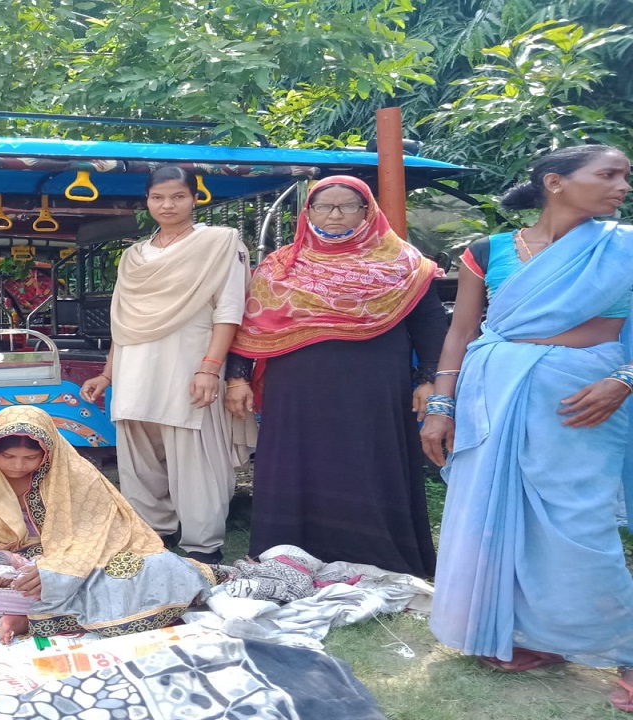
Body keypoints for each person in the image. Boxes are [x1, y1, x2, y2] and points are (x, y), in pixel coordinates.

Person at [421, 145, 633, 713]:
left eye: (625, 176)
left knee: (579, 523)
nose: (622, 186)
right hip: (493, 393)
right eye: (608, 174)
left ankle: (626, 653)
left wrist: (625, 379)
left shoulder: (625, 246)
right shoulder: (486, 251)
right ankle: (530, 635)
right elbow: (461, 333)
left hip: (583, 397)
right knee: (496, 517)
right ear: (555, 182)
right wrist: (440, 405)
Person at [224, 175, 445, 578]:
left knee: (368, 461)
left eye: (348, 206)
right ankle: (288, 554)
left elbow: (429, 323)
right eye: (324, 206)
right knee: (297, 464)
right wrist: (237, 377)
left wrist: (429, 378)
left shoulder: (404, 264)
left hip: (374, 386)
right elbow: (251, 323)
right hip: (297, 390)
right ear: (308, 212)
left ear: (368, 211)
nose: (336, 215)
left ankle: (375, 556)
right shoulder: (281, 265)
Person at [0, 406, 218, 644]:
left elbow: (100, 533)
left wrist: (55, 571)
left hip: (81, 564)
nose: (18, 466)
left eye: (31, 457)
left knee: (157, 568)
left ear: (48, 452)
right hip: (15, 574)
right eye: (8, 456)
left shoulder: (76, 474)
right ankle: (57, 611)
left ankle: (27, 617)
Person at [79, 166, 249, 564]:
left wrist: (210, 368)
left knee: (195, 453)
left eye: (177, 196)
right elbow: (122, 322)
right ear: (147, 201)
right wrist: (107, 373)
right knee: (138, 455)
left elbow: (229, 311)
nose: (167, 205)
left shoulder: (220, 242)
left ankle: (202, 545)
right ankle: (152, 534)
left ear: (194, 199)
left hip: (190, 361)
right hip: (134, 366)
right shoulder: (134, 255)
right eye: (158, 197)